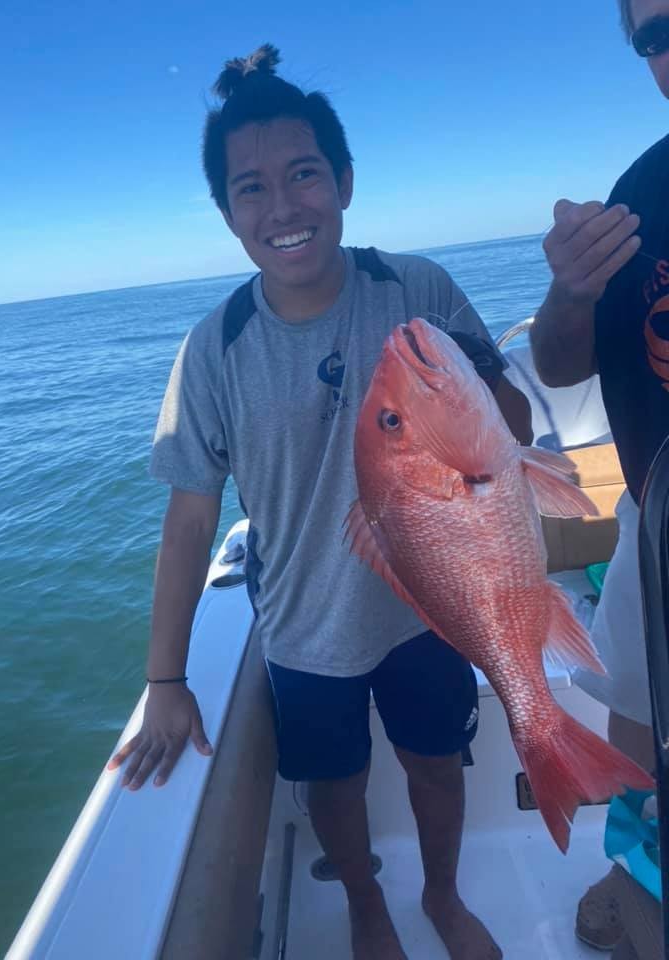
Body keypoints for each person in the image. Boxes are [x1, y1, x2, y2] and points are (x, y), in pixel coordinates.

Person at [109, 44, 531, 960]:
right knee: (334, 788)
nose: (283, 206)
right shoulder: (213, 348)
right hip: (304, 632)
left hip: (431, 612)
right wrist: (164, 681)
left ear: (342, 180)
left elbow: (516, 426)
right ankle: (368, 909)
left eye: (303, 174)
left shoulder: (413, 286)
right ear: (228, 214)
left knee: (435, 766)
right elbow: (189, 522)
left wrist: (470, 397)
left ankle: (444, 896)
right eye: (251, 188)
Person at [530, 0, 669, 950]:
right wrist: (569, 292)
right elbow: (560, 363)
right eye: (654, 35)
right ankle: (639, 876)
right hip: (660, 525)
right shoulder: (640, 194)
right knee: (634, 700)